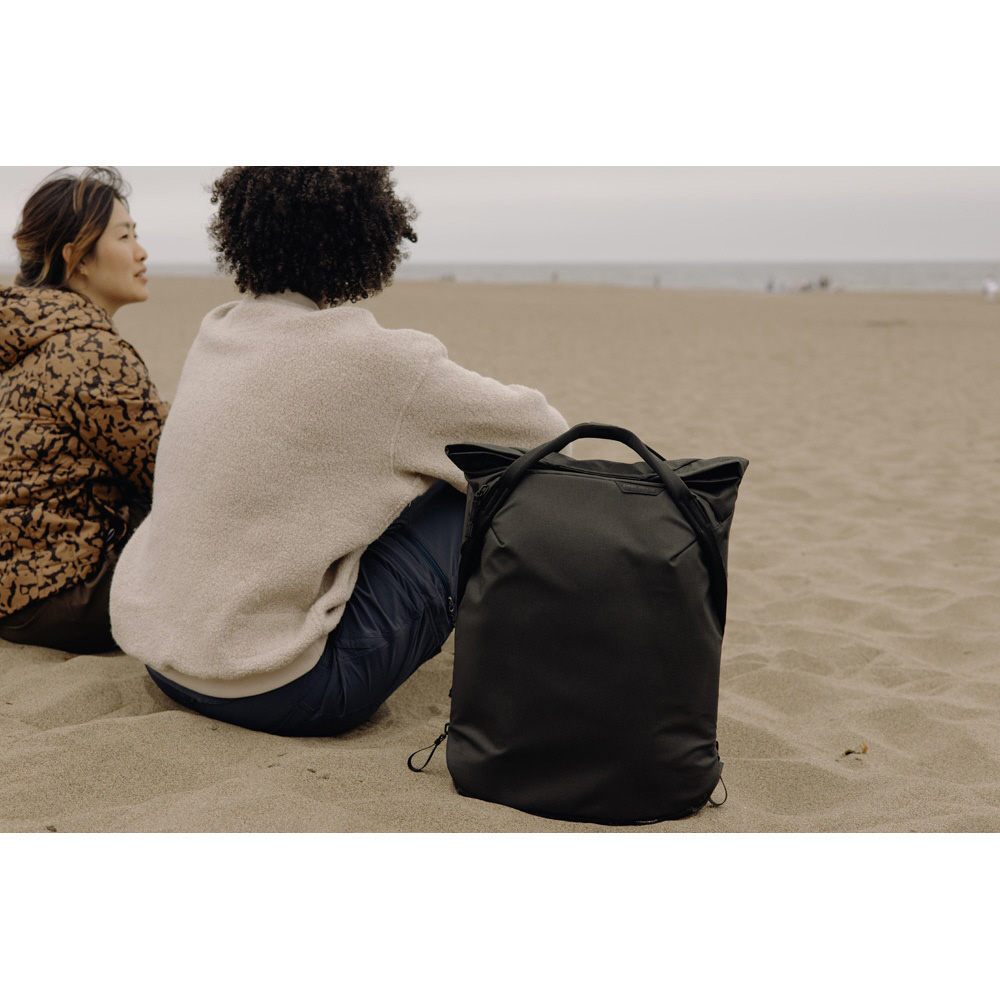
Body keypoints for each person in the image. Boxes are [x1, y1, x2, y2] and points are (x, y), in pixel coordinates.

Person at [110, 166, 569, 737]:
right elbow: (543, 434)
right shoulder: (382, 361)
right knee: (488, 480)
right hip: (290, 689)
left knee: (380, 471)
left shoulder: (218, 332)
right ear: (367, 236)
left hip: (167, 662)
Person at [0, 167, 168, 654]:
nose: (141, 252)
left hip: (14, 592)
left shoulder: (26, 336)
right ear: (77, 258)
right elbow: (173, 471)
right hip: (65, 595)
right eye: (125, 236)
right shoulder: (88, 350)